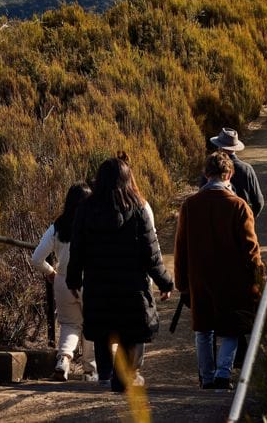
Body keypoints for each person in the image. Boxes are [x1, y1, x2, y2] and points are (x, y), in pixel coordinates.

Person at [67, 153, 174, 393]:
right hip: (131, 288)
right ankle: (123, 376)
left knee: (103, 331)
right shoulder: (138, 209)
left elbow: (77, 249)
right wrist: (165, 282)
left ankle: (105, 376)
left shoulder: (86, 209)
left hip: (98, 286)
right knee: (129, 332)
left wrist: (73, 280)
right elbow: (151, 253)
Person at [174, 150, 264, 391]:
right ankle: (223, 373)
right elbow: (251, 250)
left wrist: (182, 283)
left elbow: (180, 248)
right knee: (232, 329)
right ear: (229, 175)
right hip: (232, 279)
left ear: (206, 174)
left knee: (204, 329)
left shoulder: (190, 205)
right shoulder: (239, 206)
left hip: (200, 278)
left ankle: (206, 377)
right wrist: (258, 277)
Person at [31, 183, 94, 381]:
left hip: (63, 280)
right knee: (92, 324)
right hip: (89, 280)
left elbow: (36, 258)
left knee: (70, 325)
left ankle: (63, 360)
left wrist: (51, 272)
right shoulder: (93, 223)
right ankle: (91, 370)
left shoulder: (58, 226)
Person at [209, 128, 264, 217]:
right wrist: (248, 219)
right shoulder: (246, 169)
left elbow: (202, 193)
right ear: (235, 148)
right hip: (240, 216)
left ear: (219, 147)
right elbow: (258, 202)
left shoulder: (211, 167)